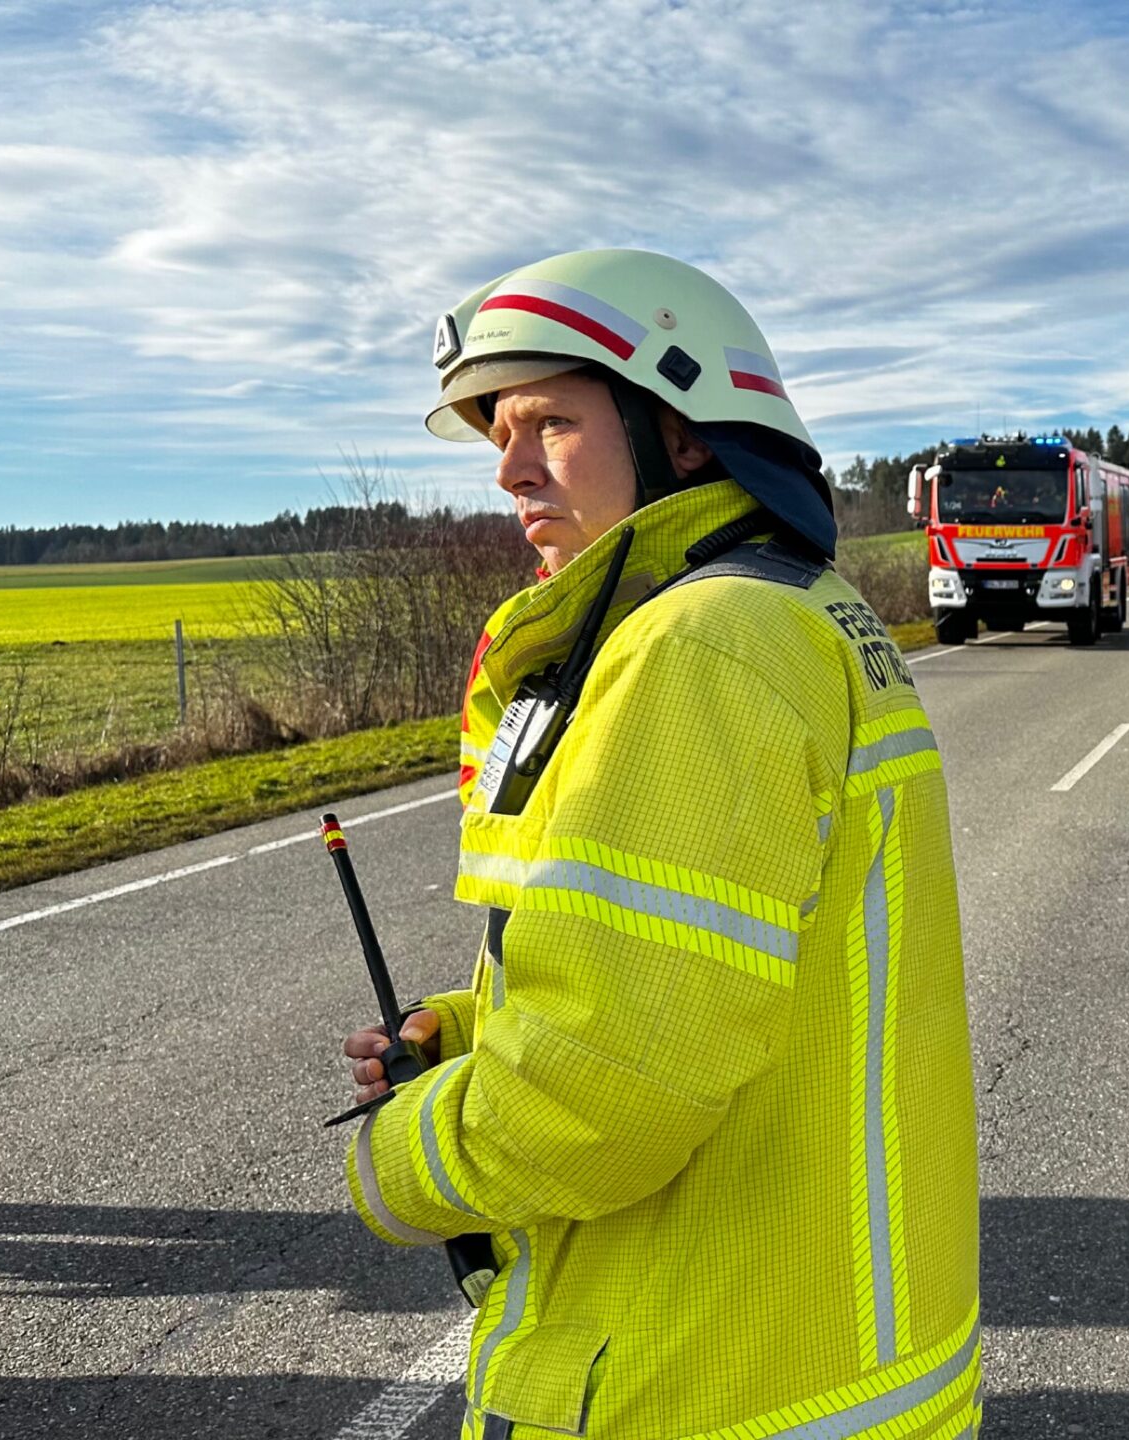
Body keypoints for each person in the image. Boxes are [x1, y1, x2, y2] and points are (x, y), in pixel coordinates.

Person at [337, 248, 981, 1440]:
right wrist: (472, 1034)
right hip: (825, 1364)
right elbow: (712, 974)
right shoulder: (794, 610)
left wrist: (402, 1153)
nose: (511, 469)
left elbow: (598, 1103)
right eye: (497, 435)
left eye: (551, 423)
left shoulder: (700, 645)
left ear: (685, 434)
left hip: (700, 1384)